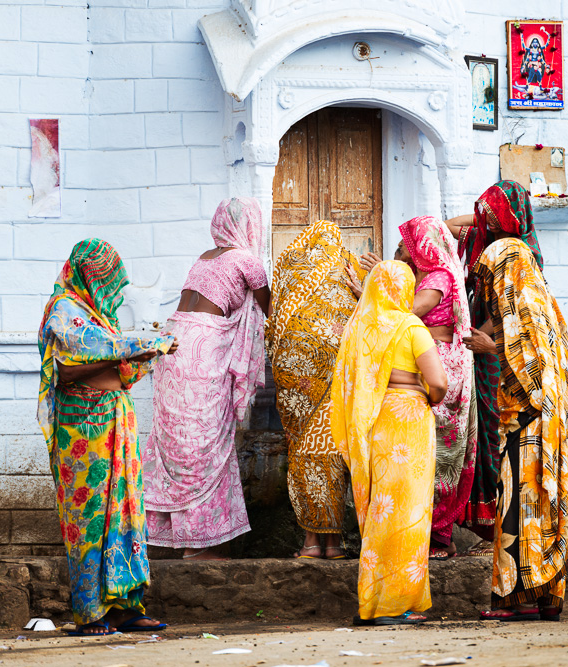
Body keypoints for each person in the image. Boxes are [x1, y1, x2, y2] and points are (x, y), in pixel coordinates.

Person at [38, 238, 176, 636]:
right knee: (89, 521)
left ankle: (125, 606)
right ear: (88, 275)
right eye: (107, 282)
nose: (111, 293)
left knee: (124, 515)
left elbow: (112, 363)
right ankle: (90, 611)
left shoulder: (97, 317)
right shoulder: (64, 311)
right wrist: (136, 347)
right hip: (82, 433)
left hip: (116, 427)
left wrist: (137, 355)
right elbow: (70, 367)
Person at [142, 198, 271, 560]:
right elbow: (268, 307)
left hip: (174, 343)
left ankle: (173, 538)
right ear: (250, 226)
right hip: (203, 348)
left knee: (178, 440)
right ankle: (201, 546)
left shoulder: (205, 257)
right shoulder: (247, 261)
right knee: (206, 444)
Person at [331, 261, 448, 626]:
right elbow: (439, 382)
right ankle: (394, 605)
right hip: (407, 421)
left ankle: (373, 601)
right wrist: (427, 398)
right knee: (407, 513)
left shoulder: (358, 327)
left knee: (380, 511)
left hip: (374, 423)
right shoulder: (411, 326)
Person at [473, 237, 568, 622]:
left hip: (531, 424)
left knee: (520, 505)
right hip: (552, 420)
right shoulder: (538, 301)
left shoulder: (527, 304)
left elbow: (528, 376)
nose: (491, 288)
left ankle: (517, 598)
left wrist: (490, 348)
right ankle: (549, 597)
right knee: (545, 503)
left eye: (493, 277)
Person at [444, 180, 545, 553]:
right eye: (485, 210)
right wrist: (481, 218)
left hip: (498, 357)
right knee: (480, 436)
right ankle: (491, 530)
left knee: (498, 439)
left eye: (494, 212)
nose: (486, 218)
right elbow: (447, 226)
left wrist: (476, 338)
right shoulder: (482, 239)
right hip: (477, 350)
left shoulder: (522, 258)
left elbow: (511, 316)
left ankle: (501, 530)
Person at [268, 220, 367, 559]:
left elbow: (272, 325)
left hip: (296, 384)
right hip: (337, 380)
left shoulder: (288, 266)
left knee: (304, 456)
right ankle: (335, 543)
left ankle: (311, 542)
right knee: (335, 454)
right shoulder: (348, 264)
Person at [397, 216, 477, 560]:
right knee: (424, 452)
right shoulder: (426, 275)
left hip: (443, 368)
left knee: (440, 454)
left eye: (410, 242)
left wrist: (365, 292)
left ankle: (440, 537)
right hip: (431, 364)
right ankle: (427, 532)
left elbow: (408, 312)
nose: (405, 248)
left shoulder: (438, 277)